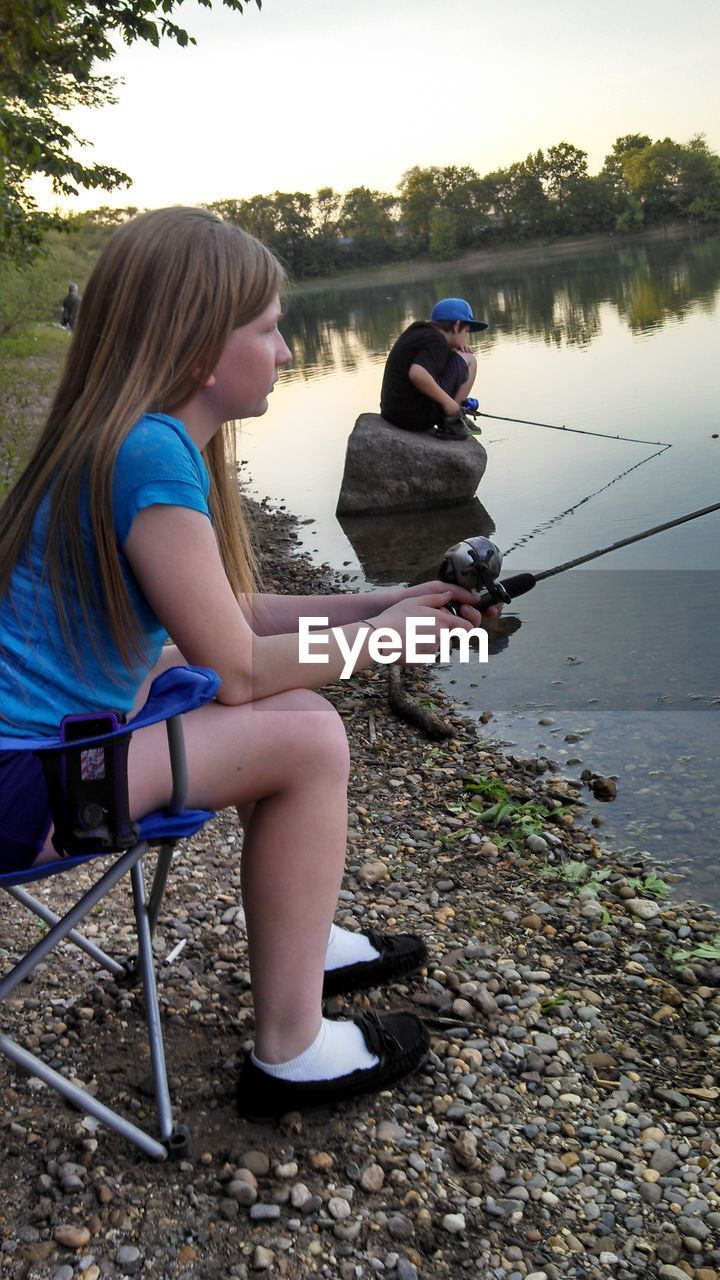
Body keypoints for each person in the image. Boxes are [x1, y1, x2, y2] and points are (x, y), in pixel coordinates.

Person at [0, 208, 493, 1120]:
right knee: (306, 740)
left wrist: (384, 600)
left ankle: (302, 944)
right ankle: (291, 1052)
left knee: (299, 719)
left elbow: (232, 618)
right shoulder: (146, 451)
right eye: (267, 328)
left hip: (46, 758)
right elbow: (237, 669)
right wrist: (391, 643)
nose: (289, 348)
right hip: (25, 786)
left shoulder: (134, 438)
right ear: (197, 349)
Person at [380, 297, 488, 440]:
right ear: (457, 326)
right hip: (414, 418)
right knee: (469, 360)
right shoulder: (437, 341)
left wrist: (452, 351)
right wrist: (449, 403)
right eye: (466, 332)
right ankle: (452, 421)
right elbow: (417, 374)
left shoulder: (419, 331)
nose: (466, 338)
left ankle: (453, 417)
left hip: (393, 413)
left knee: (461, 355)